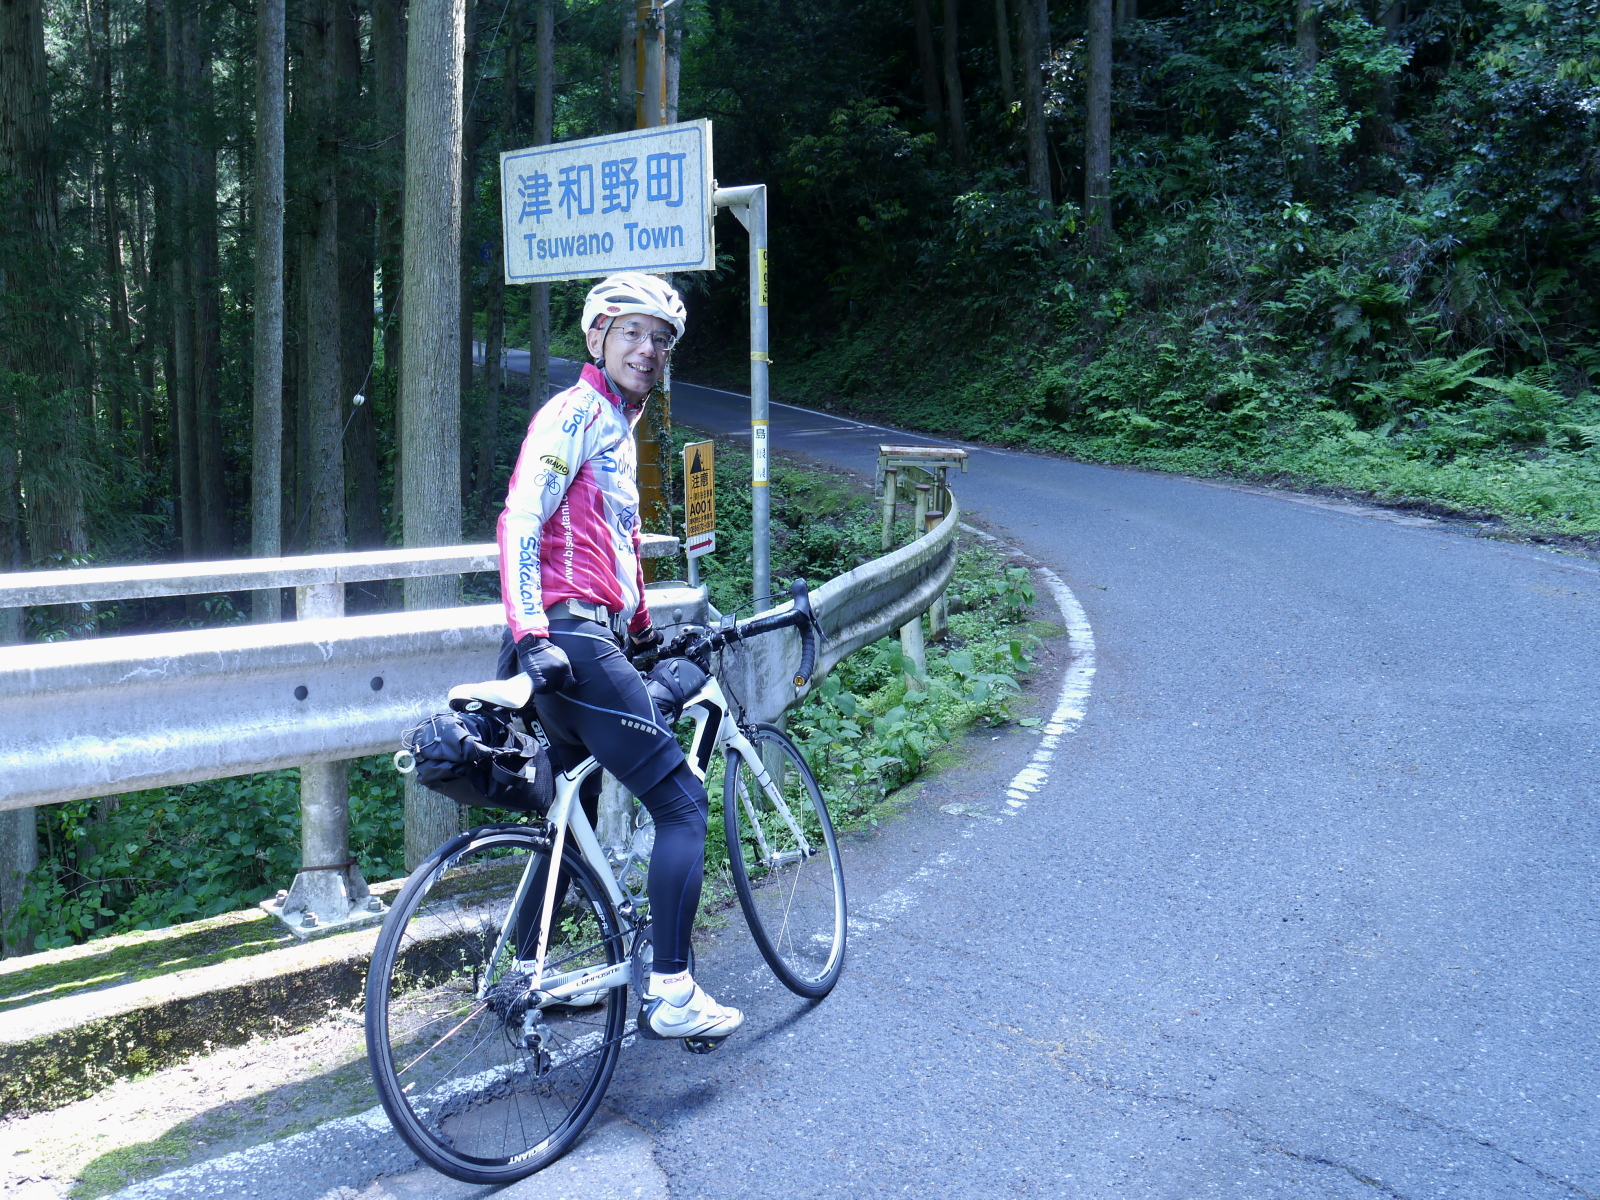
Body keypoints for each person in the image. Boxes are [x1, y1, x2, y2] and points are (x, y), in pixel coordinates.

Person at [495, 271, 743, 1046]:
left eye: (661, 339)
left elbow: (618, 543)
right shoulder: (574, 413)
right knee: (682, 804)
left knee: (573, 809)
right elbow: (520, 520)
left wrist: (639, 630)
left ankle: (530, 976)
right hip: (565, 639)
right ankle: (672, 991)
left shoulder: (616, 426)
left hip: (584, 637)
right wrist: (532, 634)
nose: (648, 349)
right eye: (632, 332)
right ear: (597, 336)